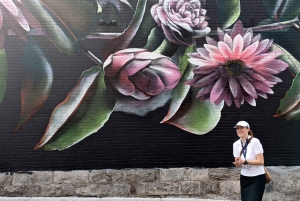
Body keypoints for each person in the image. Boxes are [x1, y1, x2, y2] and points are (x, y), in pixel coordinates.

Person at [232, 121, 265, 201]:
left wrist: (245, 161)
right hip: (244, 178)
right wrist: (237, 163)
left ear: (248, 129)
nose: (239, 130)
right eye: (237, 128)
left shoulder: (255, 141)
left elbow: (261, 162)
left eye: (242, 128)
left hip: (257, 178)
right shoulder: (236, 144)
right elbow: (238, 165)